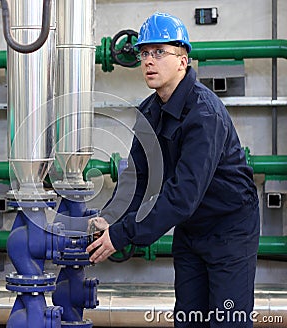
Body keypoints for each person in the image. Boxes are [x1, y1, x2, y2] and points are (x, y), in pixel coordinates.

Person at [86, 12, 260, 328]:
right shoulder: (149, 111)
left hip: (229, 230)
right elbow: (137, 177)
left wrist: (123, 234)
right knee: (189, 320)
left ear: (182, 61)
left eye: (159, 52)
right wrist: (111, 218)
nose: (149, 61)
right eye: (144, 53)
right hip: (191, 229)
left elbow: (182, 193)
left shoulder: (204, 114)